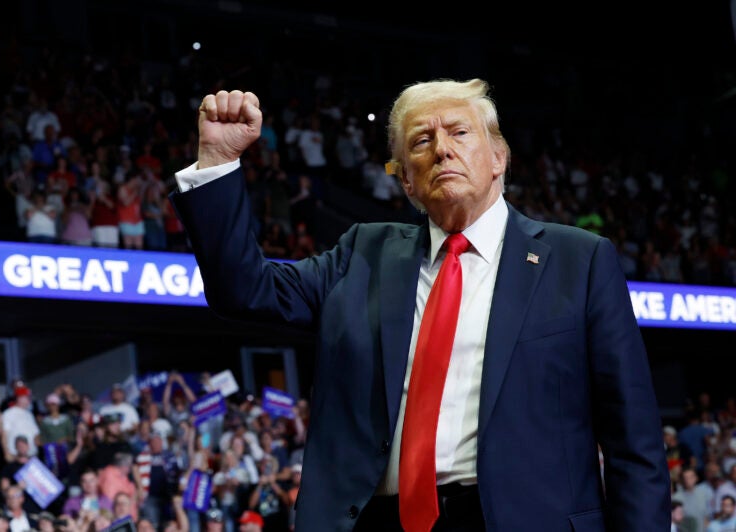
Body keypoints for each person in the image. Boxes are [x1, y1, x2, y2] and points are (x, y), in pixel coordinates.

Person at [168, 80, 670, 531]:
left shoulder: (577, 261)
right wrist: (217, 163)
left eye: (458, 132)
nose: (442, 151)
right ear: (406, 179)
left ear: (499, 157)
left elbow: (634, 443)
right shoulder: (362, 254)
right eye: (421, 142)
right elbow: (245, 291)